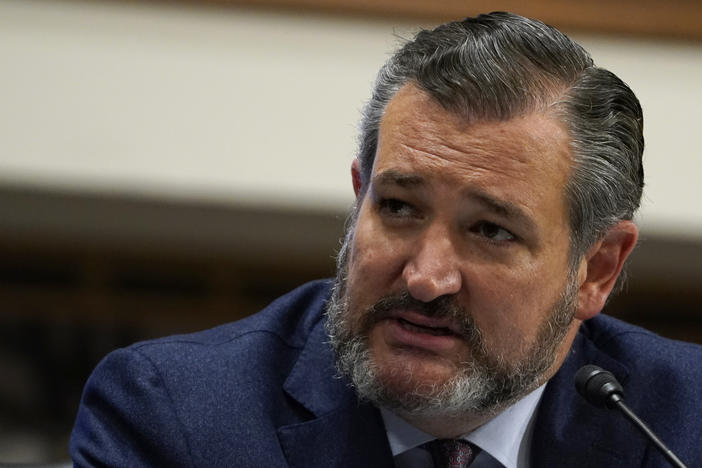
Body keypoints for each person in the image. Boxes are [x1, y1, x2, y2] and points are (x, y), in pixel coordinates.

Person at [70, 12, 702, 468]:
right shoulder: (176, 418)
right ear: (357, 199)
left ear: (595, 270)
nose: (426, 277)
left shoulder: (683, 425)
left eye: (490, 230)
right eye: (398, 207)